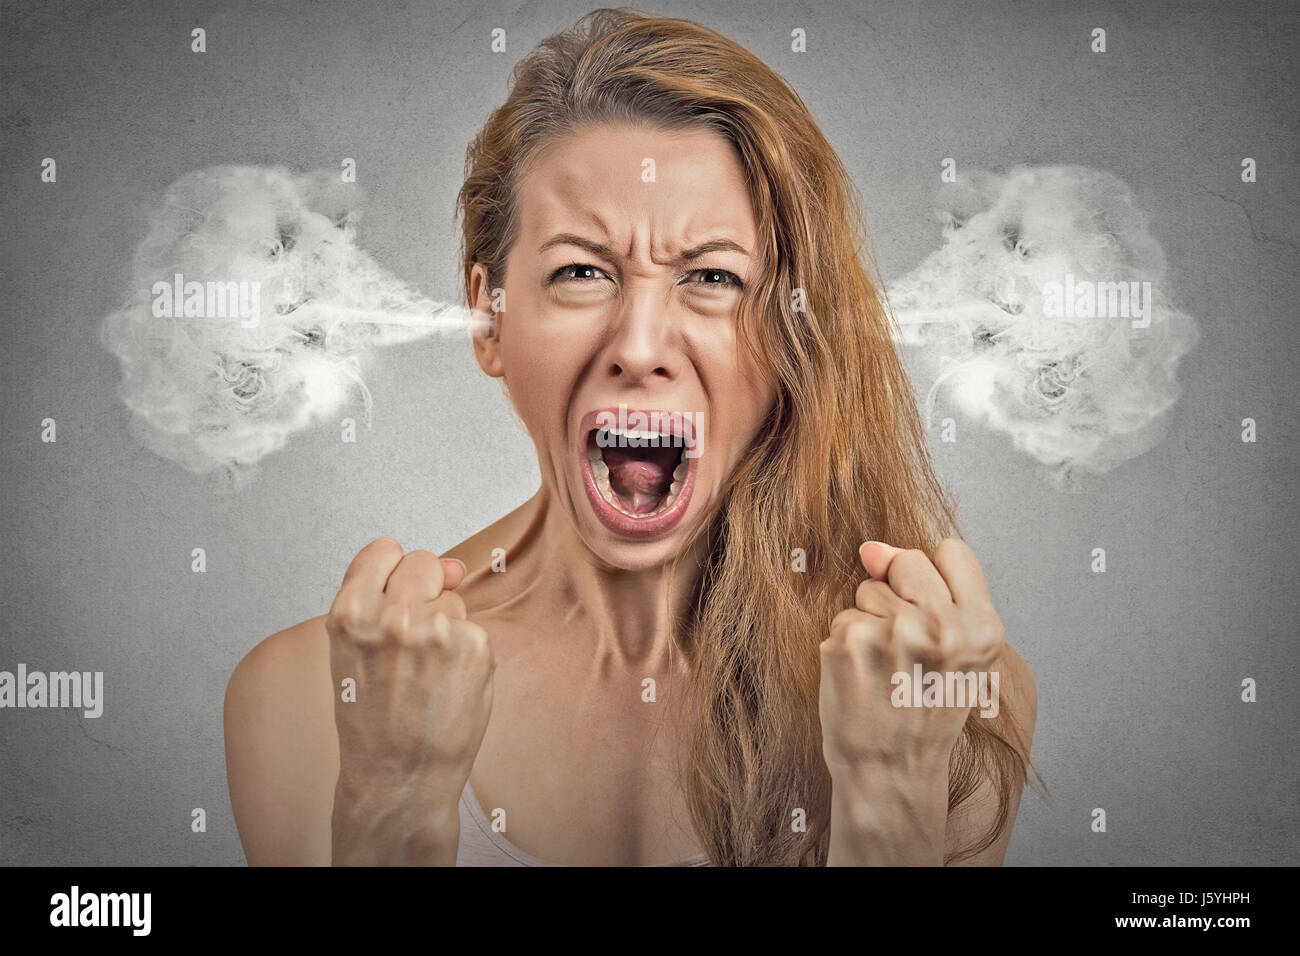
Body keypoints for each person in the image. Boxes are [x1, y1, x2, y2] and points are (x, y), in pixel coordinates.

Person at [224, 7, 1039, 867]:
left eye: (713, 277)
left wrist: (893, 800)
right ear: (488, 318)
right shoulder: (308, 699)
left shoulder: (946, 695)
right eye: (581, 272)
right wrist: (390, 806)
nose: (641, 347)